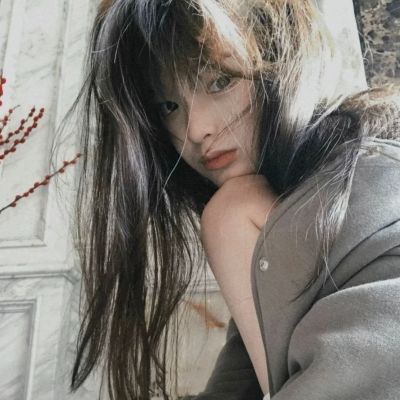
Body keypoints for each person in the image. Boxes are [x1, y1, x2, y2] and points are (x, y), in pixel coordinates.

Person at [59, 0, 400, 399]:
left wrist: (230, 221)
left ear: (282, 56)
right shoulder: (264, 223)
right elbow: (241, 381)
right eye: (168, 106)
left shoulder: (375, 187)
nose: (196, 130)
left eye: (221, 81)